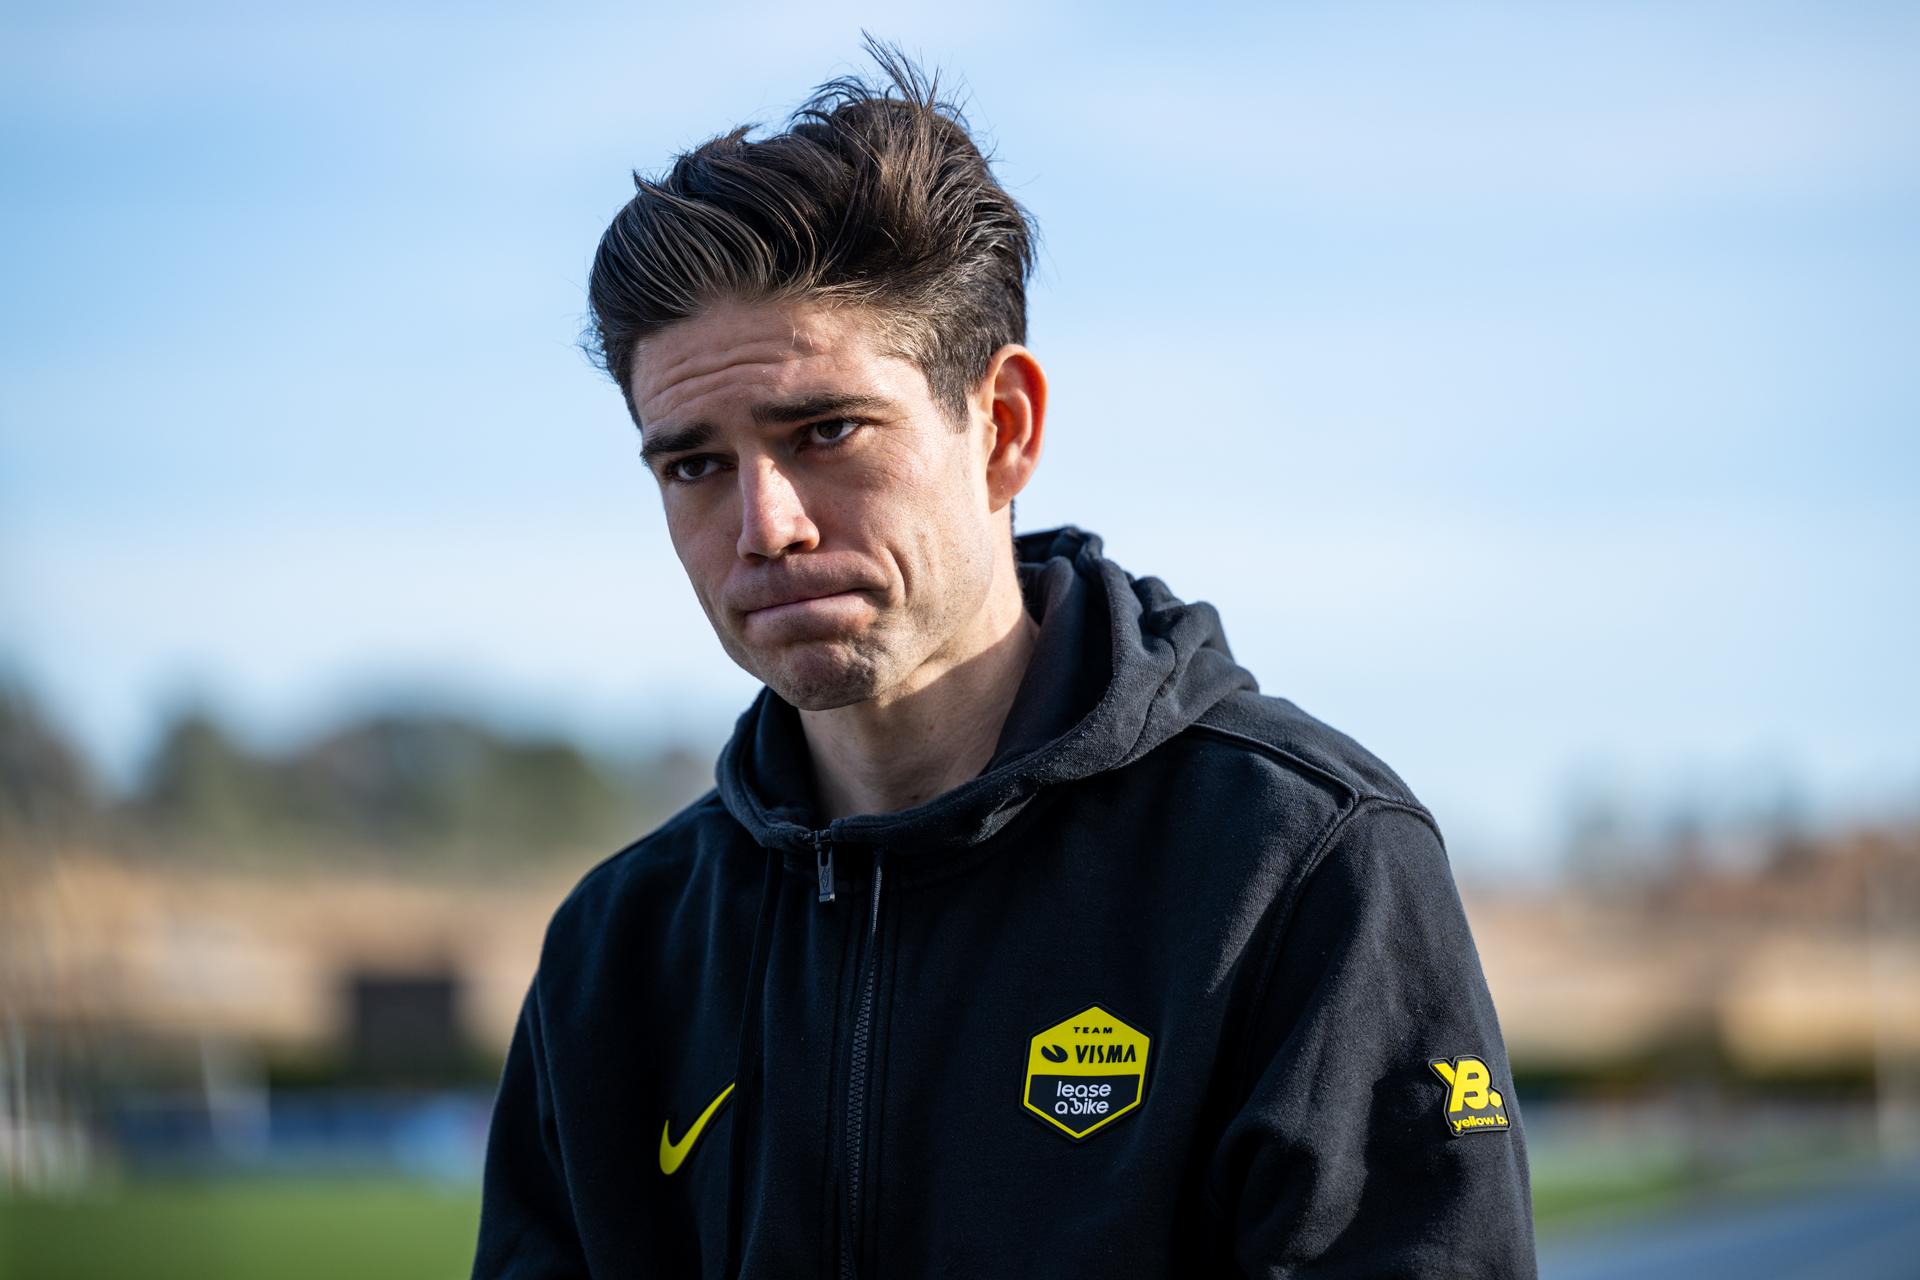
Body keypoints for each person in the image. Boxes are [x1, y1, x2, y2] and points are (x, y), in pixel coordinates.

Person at [471, 39, 1535, 1280]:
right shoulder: (618, 949)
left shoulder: (1299, 865)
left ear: (1006, 428)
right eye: (695, 463)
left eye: (826, 431)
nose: (766, 525)